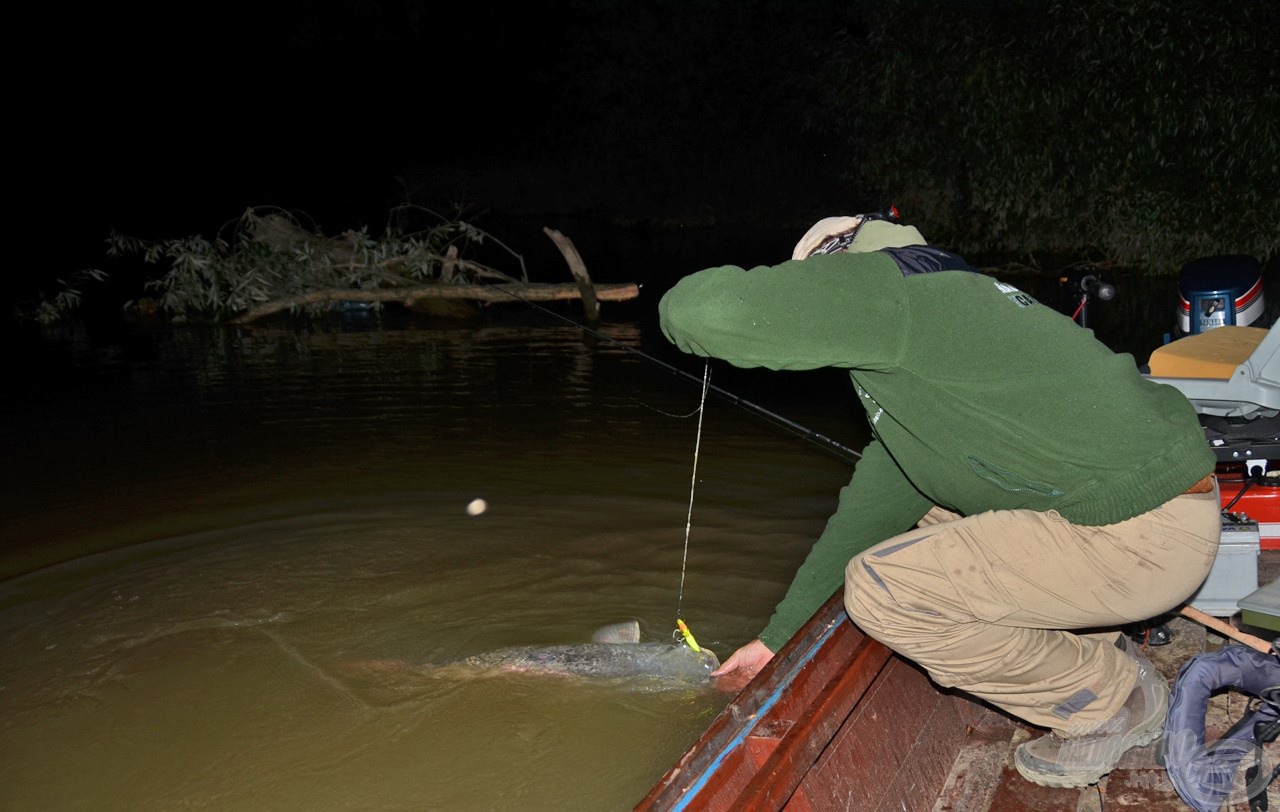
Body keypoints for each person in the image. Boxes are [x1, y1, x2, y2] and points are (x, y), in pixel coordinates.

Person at [657, 211, 1220, 788]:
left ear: (834, 267)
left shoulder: (886, 290)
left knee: (882, 591)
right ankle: (1093, 636)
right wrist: (776, 640)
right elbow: (875, 507)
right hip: (1170, 509)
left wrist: (785, 290)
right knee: (922, 516)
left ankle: (1109, 696)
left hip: (1143, 536)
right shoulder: (951, 300)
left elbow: (695, 311)